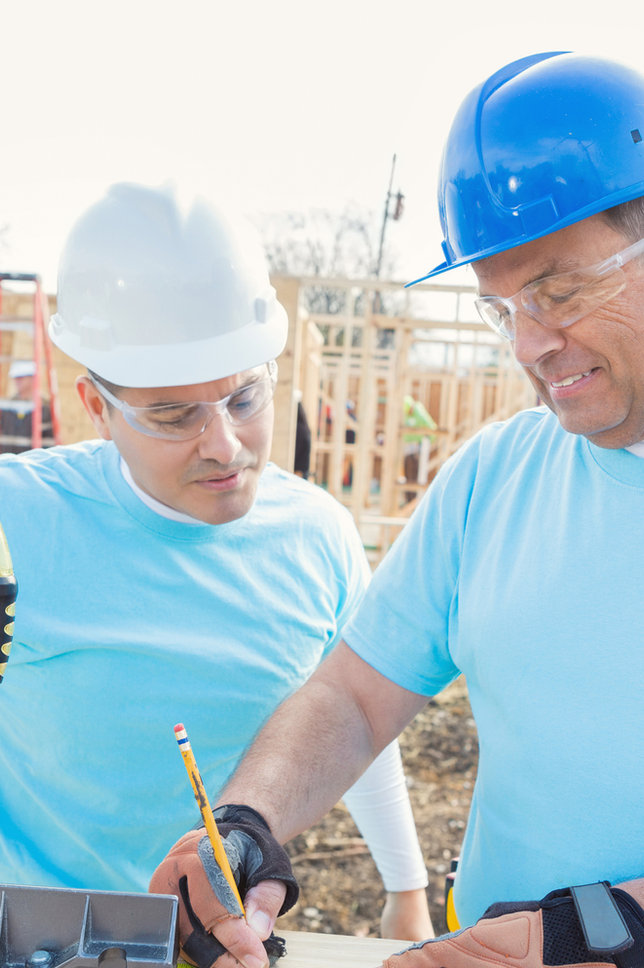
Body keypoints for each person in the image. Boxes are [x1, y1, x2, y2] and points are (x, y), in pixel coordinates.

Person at [151, 52, 644, 968]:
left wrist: (600, 931)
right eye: (501, 310)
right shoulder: (496, 476)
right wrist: (250, 824)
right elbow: (353, 697)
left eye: (558, 292)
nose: (529, 345)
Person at [0, 184, 433, 943]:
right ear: (96, 408)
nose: (225, 447)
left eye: (243, 399)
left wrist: (406, 888)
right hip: (41, 939)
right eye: (174, 416)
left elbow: (353, 712)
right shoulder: (18, 521)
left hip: (223, 943)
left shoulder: (320, 538)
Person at [0, 359, 54, 454]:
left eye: (21, 378)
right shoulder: (8, 406)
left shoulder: (45, 407)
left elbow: (49, 442)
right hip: (8, 460)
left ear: (33, 378)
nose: (17, 381)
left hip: (32, 461)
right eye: (15, 378)